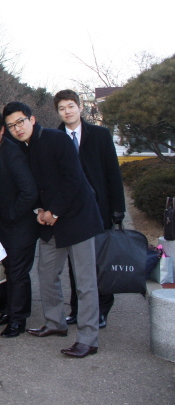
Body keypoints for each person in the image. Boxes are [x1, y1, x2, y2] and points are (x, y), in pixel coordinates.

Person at [3, 101, 103, 358]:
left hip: (77, 219)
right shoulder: (20, 149)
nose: (17, 128)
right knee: (47, 273)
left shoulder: (57, 139)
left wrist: (54, 211)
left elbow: (73, 179)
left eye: (20, 122)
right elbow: (29, 186)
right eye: (11, 126)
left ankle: (88, 339)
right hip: (49, 222)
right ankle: (55, 322)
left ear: (32, 119)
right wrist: (39, 210)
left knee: (85, 283)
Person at [54, 89, 125, 329]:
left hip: (98, 208)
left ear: (80, 107)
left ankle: (101, 310)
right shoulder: (55, 137)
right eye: (62, 108)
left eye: (70, 106)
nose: (67, 111)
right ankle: (77, 309)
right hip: (70, 211)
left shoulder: (100, 135)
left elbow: (113, 172)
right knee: (76, 265)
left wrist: (118, 208)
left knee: (99, 263)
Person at [0, 109, 39, 338]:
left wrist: (10, 215)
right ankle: (9, 312)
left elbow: (29, 192)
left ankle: (18, 320)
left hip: (19, 225)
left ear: (1, 130)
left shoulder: (12, 154)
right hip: (1, 226)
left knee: (18, 273)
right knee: (9, 270)